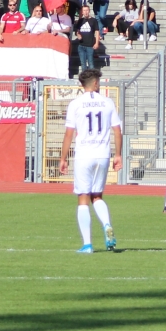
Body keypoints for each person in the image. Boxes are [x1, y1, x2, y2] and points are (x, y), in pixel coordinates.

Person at [58, 68, 121, 252]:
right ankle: (107, 224)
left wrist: (63, 158)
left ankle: (87, 244)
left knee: (83, 198)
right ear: (95, 83)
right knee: (97, 196)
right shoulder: (108, 102)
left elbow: (69, 133)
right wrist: (118, 155)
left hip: (84, 155)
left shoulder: (76, 104)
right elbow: (117, 130)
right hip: (102, 154)